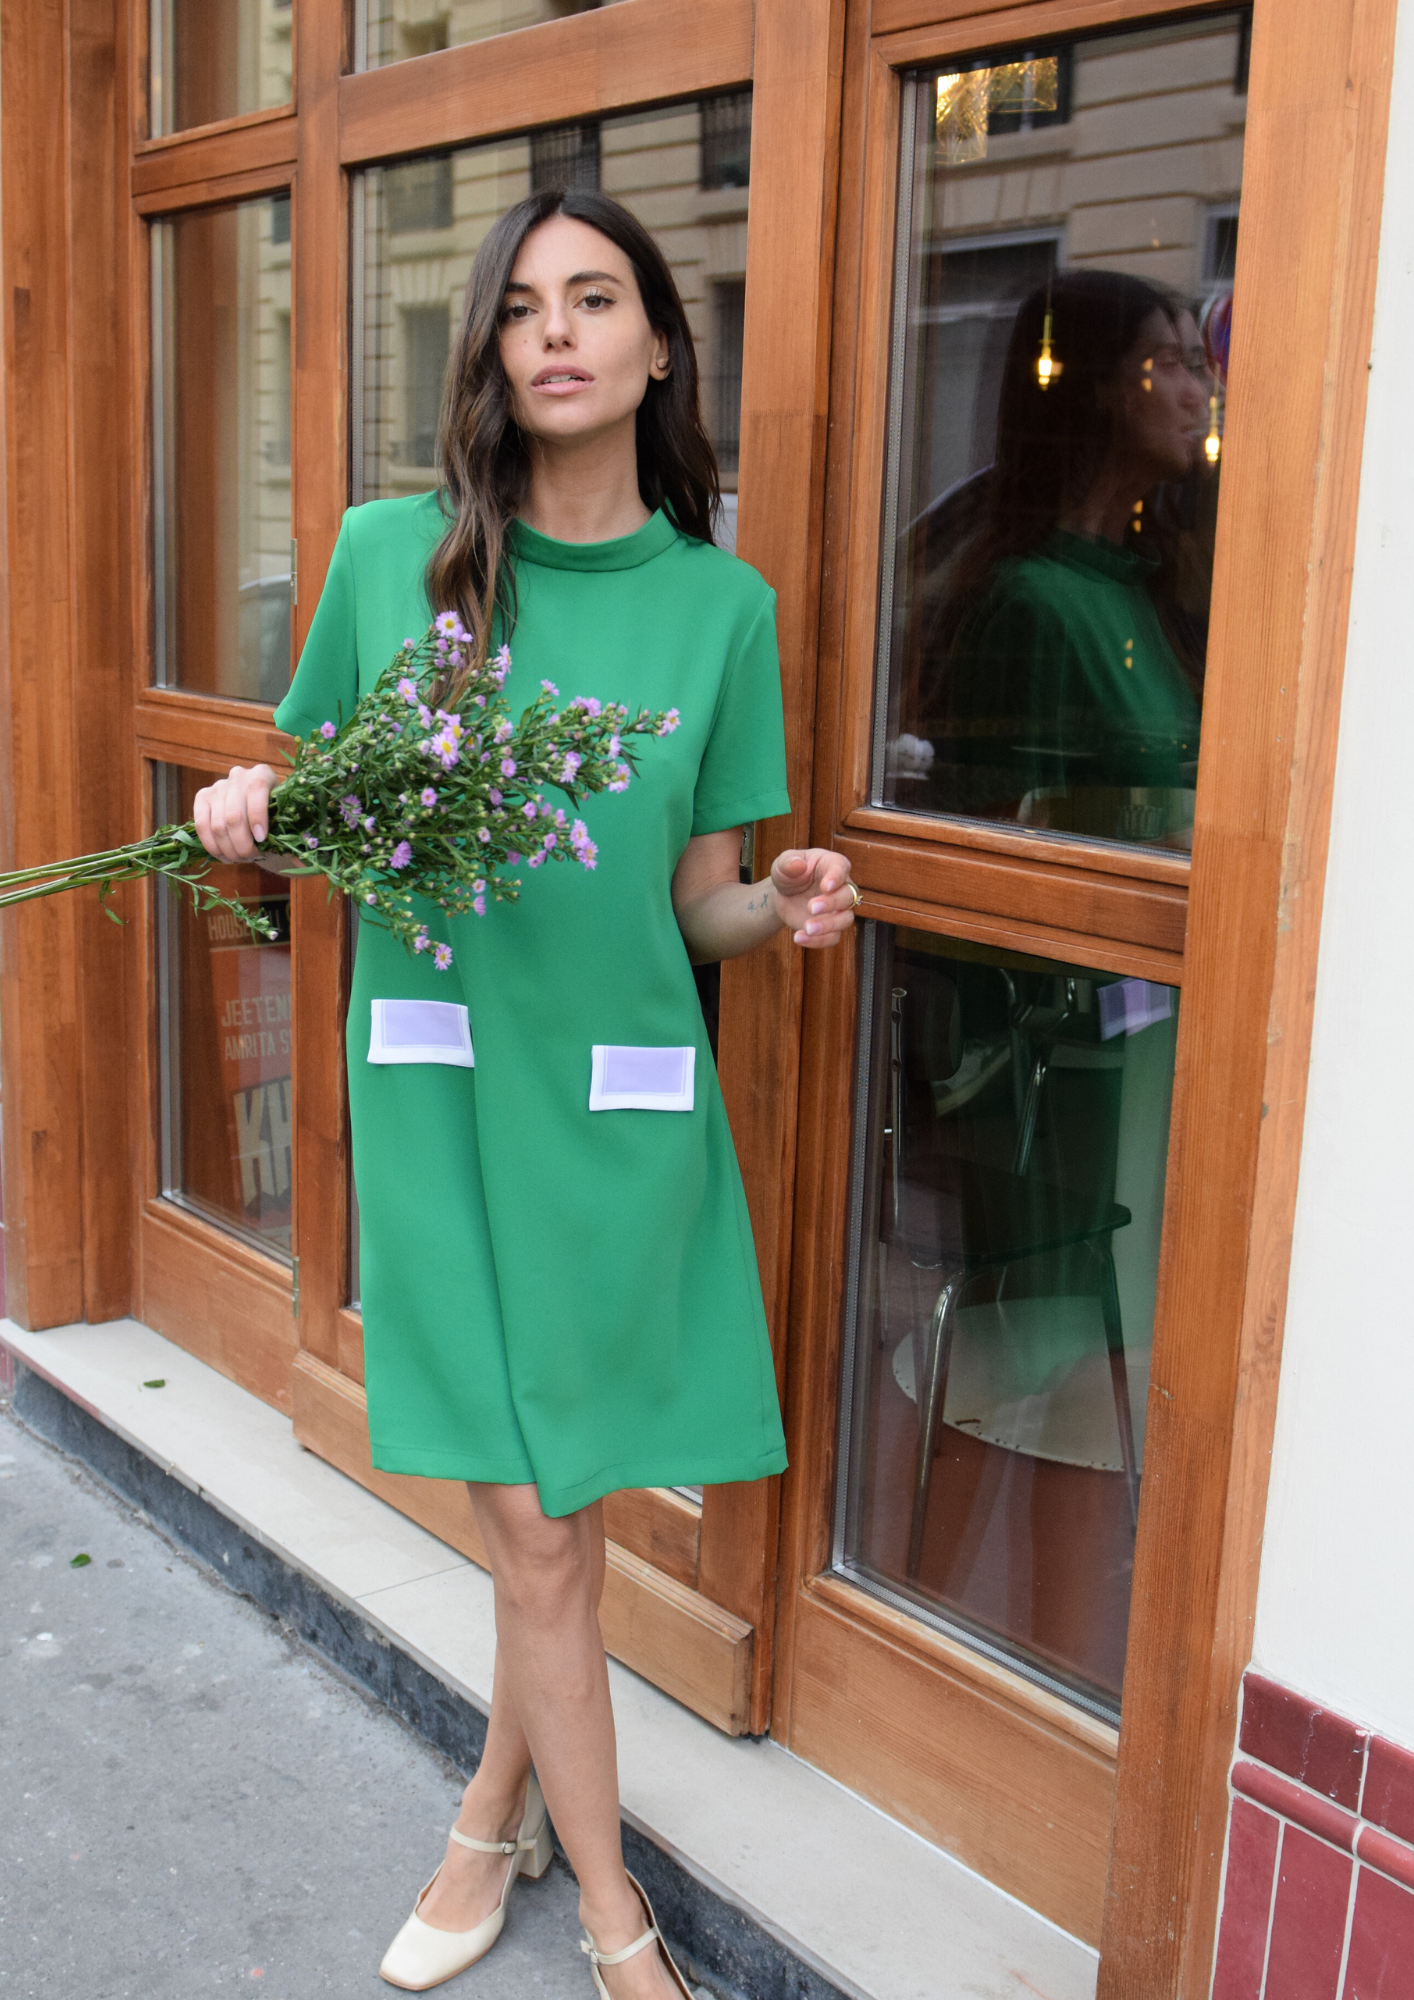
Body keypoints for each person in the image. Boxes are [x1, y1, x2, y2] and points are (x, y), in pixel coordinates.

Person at [193, 187, 858, 1998]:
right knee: (538, 1529)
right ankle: (624, 1934)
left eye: (598, 298)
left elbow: (694, 896)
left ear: (655, 345)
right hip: (438, 1098)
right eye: (524, 306)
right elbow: (305, 809)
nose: (557, 330)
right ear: (491, 348)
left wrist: (775, 902)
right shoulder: (385, 556)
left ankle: (487, 1822)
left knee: (550, 1524)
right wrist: (236, 821)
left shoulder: (725, 611)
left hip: (621, 1115)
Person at [912, 269, 1211, 842]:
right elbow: (999, 853)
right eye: (1170, 365)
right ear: (1100, 387)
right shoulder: (1029, 604)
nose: (1199, 396)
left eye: (1195, 366)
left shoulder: (1145, 588)